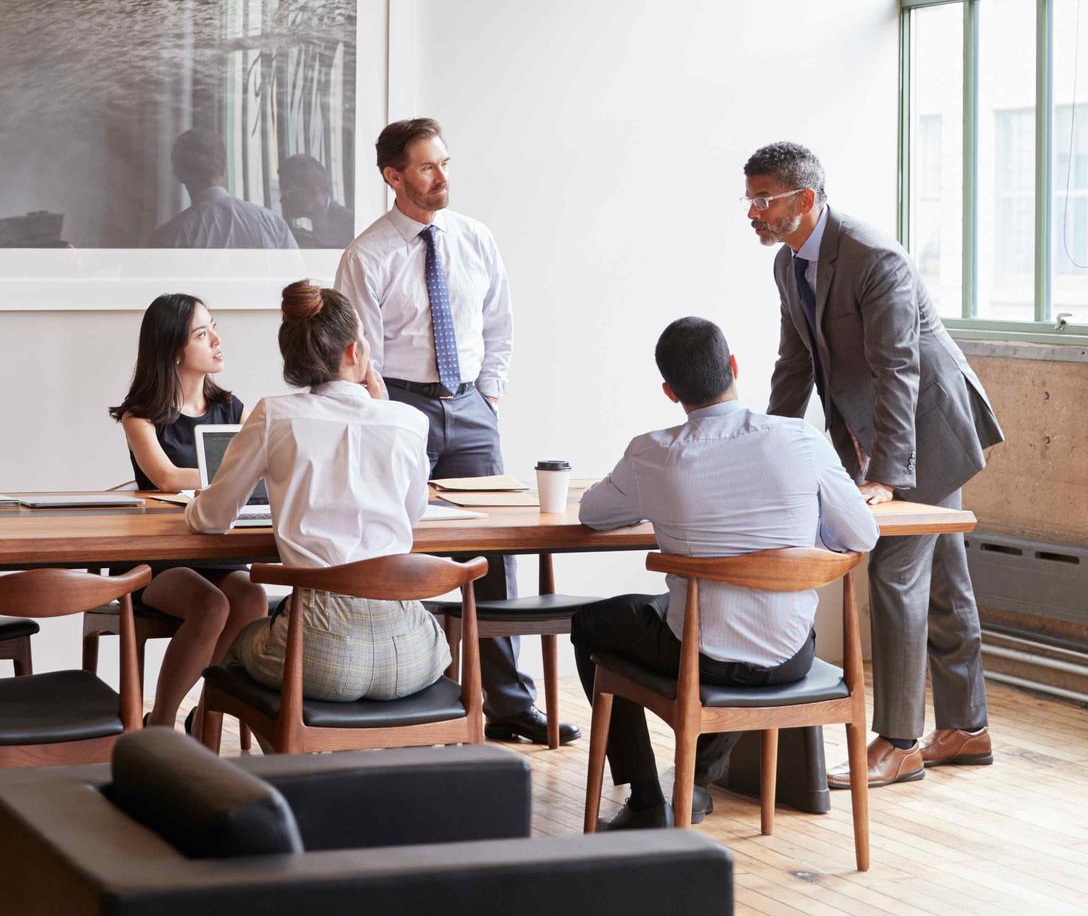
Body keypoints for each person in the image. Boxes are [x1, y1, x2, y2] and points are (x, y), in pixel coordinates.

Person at [743, 140, 1005, 789]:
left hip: (928, 429)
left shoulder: (872, 256)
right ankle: (967, 729)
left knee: (896, 573)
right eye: (748, 200)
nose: (752, 212)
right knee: (945, 581)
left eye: (763, 200)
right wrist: (768, 448)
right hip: (883, 430)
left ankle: (899, 741)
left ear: (804, 201)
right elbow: (795, 367)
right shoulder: (788, 267)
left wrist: (886, 476)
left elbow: (899, 369)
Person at [573, 316, 879, 830]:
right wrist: (797, 548)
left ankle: (649, 799)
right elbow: (861, 536)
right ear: (734, 367)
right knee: (727, 619)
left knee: (593, 623)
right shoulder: (800, 440)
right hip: (791, 657)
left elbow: (593, 514)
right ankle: (693, 784)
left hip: (702, 657)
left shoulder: (654, 453)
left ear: (670, 392)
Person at [333, 117, 573, 745]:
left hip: (470, 410)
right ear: (393, 176)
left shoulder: (474, 238)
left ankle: (510, 704)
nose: (442, 177)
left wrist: (487, 397)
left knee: (493, 553)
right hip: (400, 407)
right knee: (398, 548)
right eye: (426, 167)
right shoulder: (368, 254)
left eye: (444, 163)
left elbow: (500, 325)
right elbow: (362, 353)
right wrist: (387, 416)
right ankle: (414, 696)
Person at [188, 280, 450, 701]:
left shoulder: (275, 414)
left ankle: (226, 750)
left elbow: (212, 519)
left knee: (241, 640)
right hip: (412, 652)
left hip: (321, 651)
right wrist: (382, 408)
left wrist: (193, 508)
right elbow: (413, 512)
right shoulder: (408, 421)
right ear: (353, 352)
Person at [109, 293, 270, 725]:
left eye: (213, 326)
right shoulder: (139, 417)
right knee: (211, 605)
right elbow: (163, 477)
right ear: (173, 350)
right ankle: (160, 721)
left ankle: (207, 713)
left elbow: (254, 472)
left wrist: (237, 472)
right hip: (159, 556)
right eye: (202, 333)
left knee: (253, 596)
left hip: (215, 547)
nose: (217, 339)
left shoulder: (231, 408)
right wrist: (232, 471)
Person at [148, 129, 297, 250]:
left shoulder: (168, 238)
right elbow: (298, 284)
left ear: (178, 173)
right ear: (224, 169)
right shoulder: (273, 223)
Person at [277, 153, 355, 249]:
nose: (282, 200)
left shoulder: (351, 226)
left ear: (313, 192)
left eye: (289, 193)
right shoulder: (289, 228)